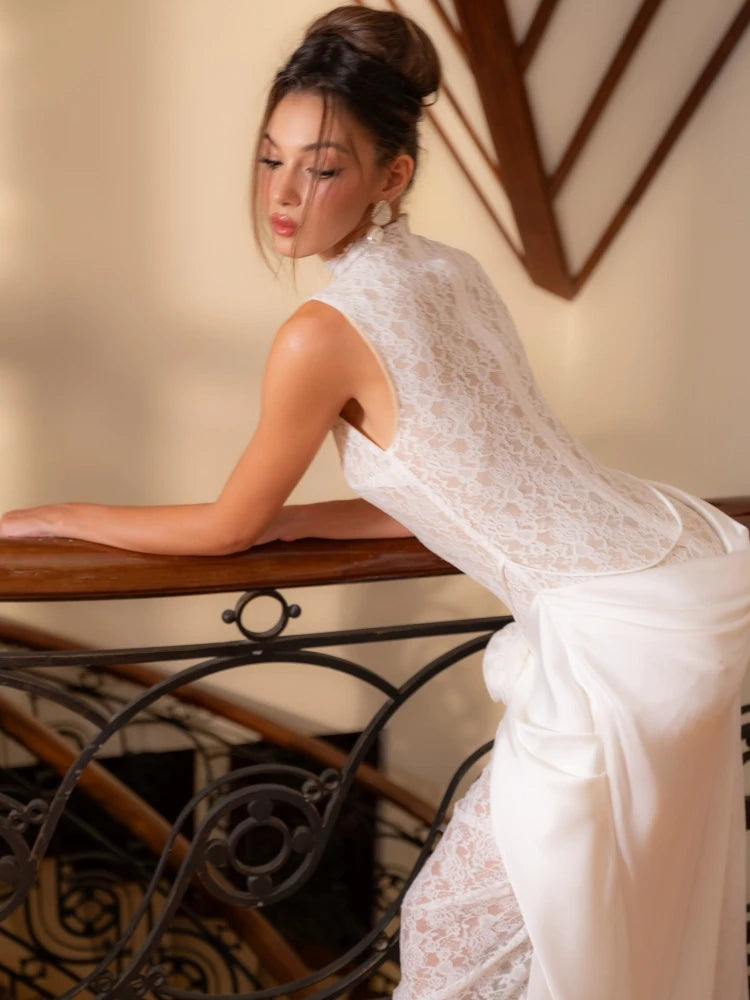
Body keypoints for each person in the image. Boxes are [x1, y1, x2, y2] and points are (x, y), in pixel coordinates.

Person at [2, 6, 749, 998]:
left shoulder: (321, 330)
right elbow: (468, 482)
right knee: (610, 920)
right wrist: (306, 519)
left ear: (391, 176)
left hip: (623, 639)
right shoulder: (451, 271)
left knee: (470, 930)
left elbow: (225, 530)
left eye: (323, 166)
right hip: (689, 573)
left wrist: (58, 516)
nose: (283, 194)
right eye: (271, 159)